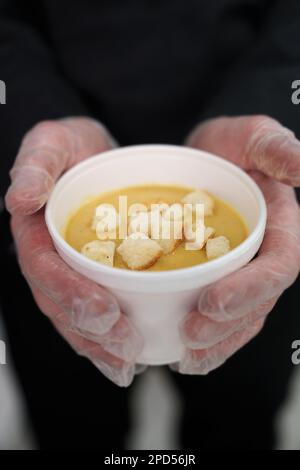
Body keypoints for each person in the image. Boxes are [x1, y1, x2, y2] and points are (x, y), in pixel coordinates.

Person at [0, 0, 300, 450]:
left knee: (239, 422)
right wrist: (28, 120)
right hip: (57, 191)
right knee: (71, 424)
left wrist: (272, 107)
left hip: (249, 193)